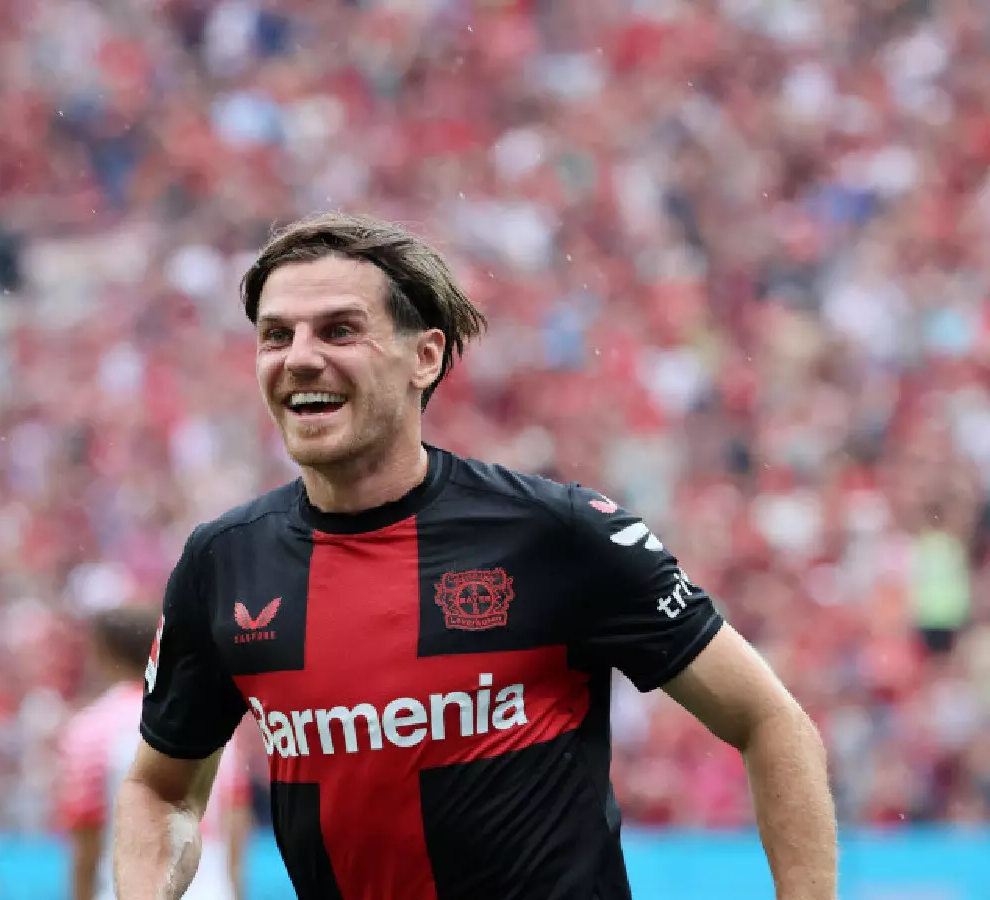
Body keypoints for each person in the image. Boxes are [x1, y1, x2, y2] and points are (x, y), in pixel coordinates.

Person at [113, 212, 838, 900]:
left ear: (424, 357)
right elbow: (159, 786)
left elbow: (770, 721)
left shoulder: (557, 534)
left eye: (338, 330)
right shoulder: (224, 563)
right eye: (276, 336)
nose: (301, 358)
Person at [57, 605, 251, 900]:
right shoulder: (213, 718)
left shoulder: (92, 729)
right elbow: (236, 819)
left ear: (105, 653)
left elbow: (87, 836)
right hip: (209, 890)